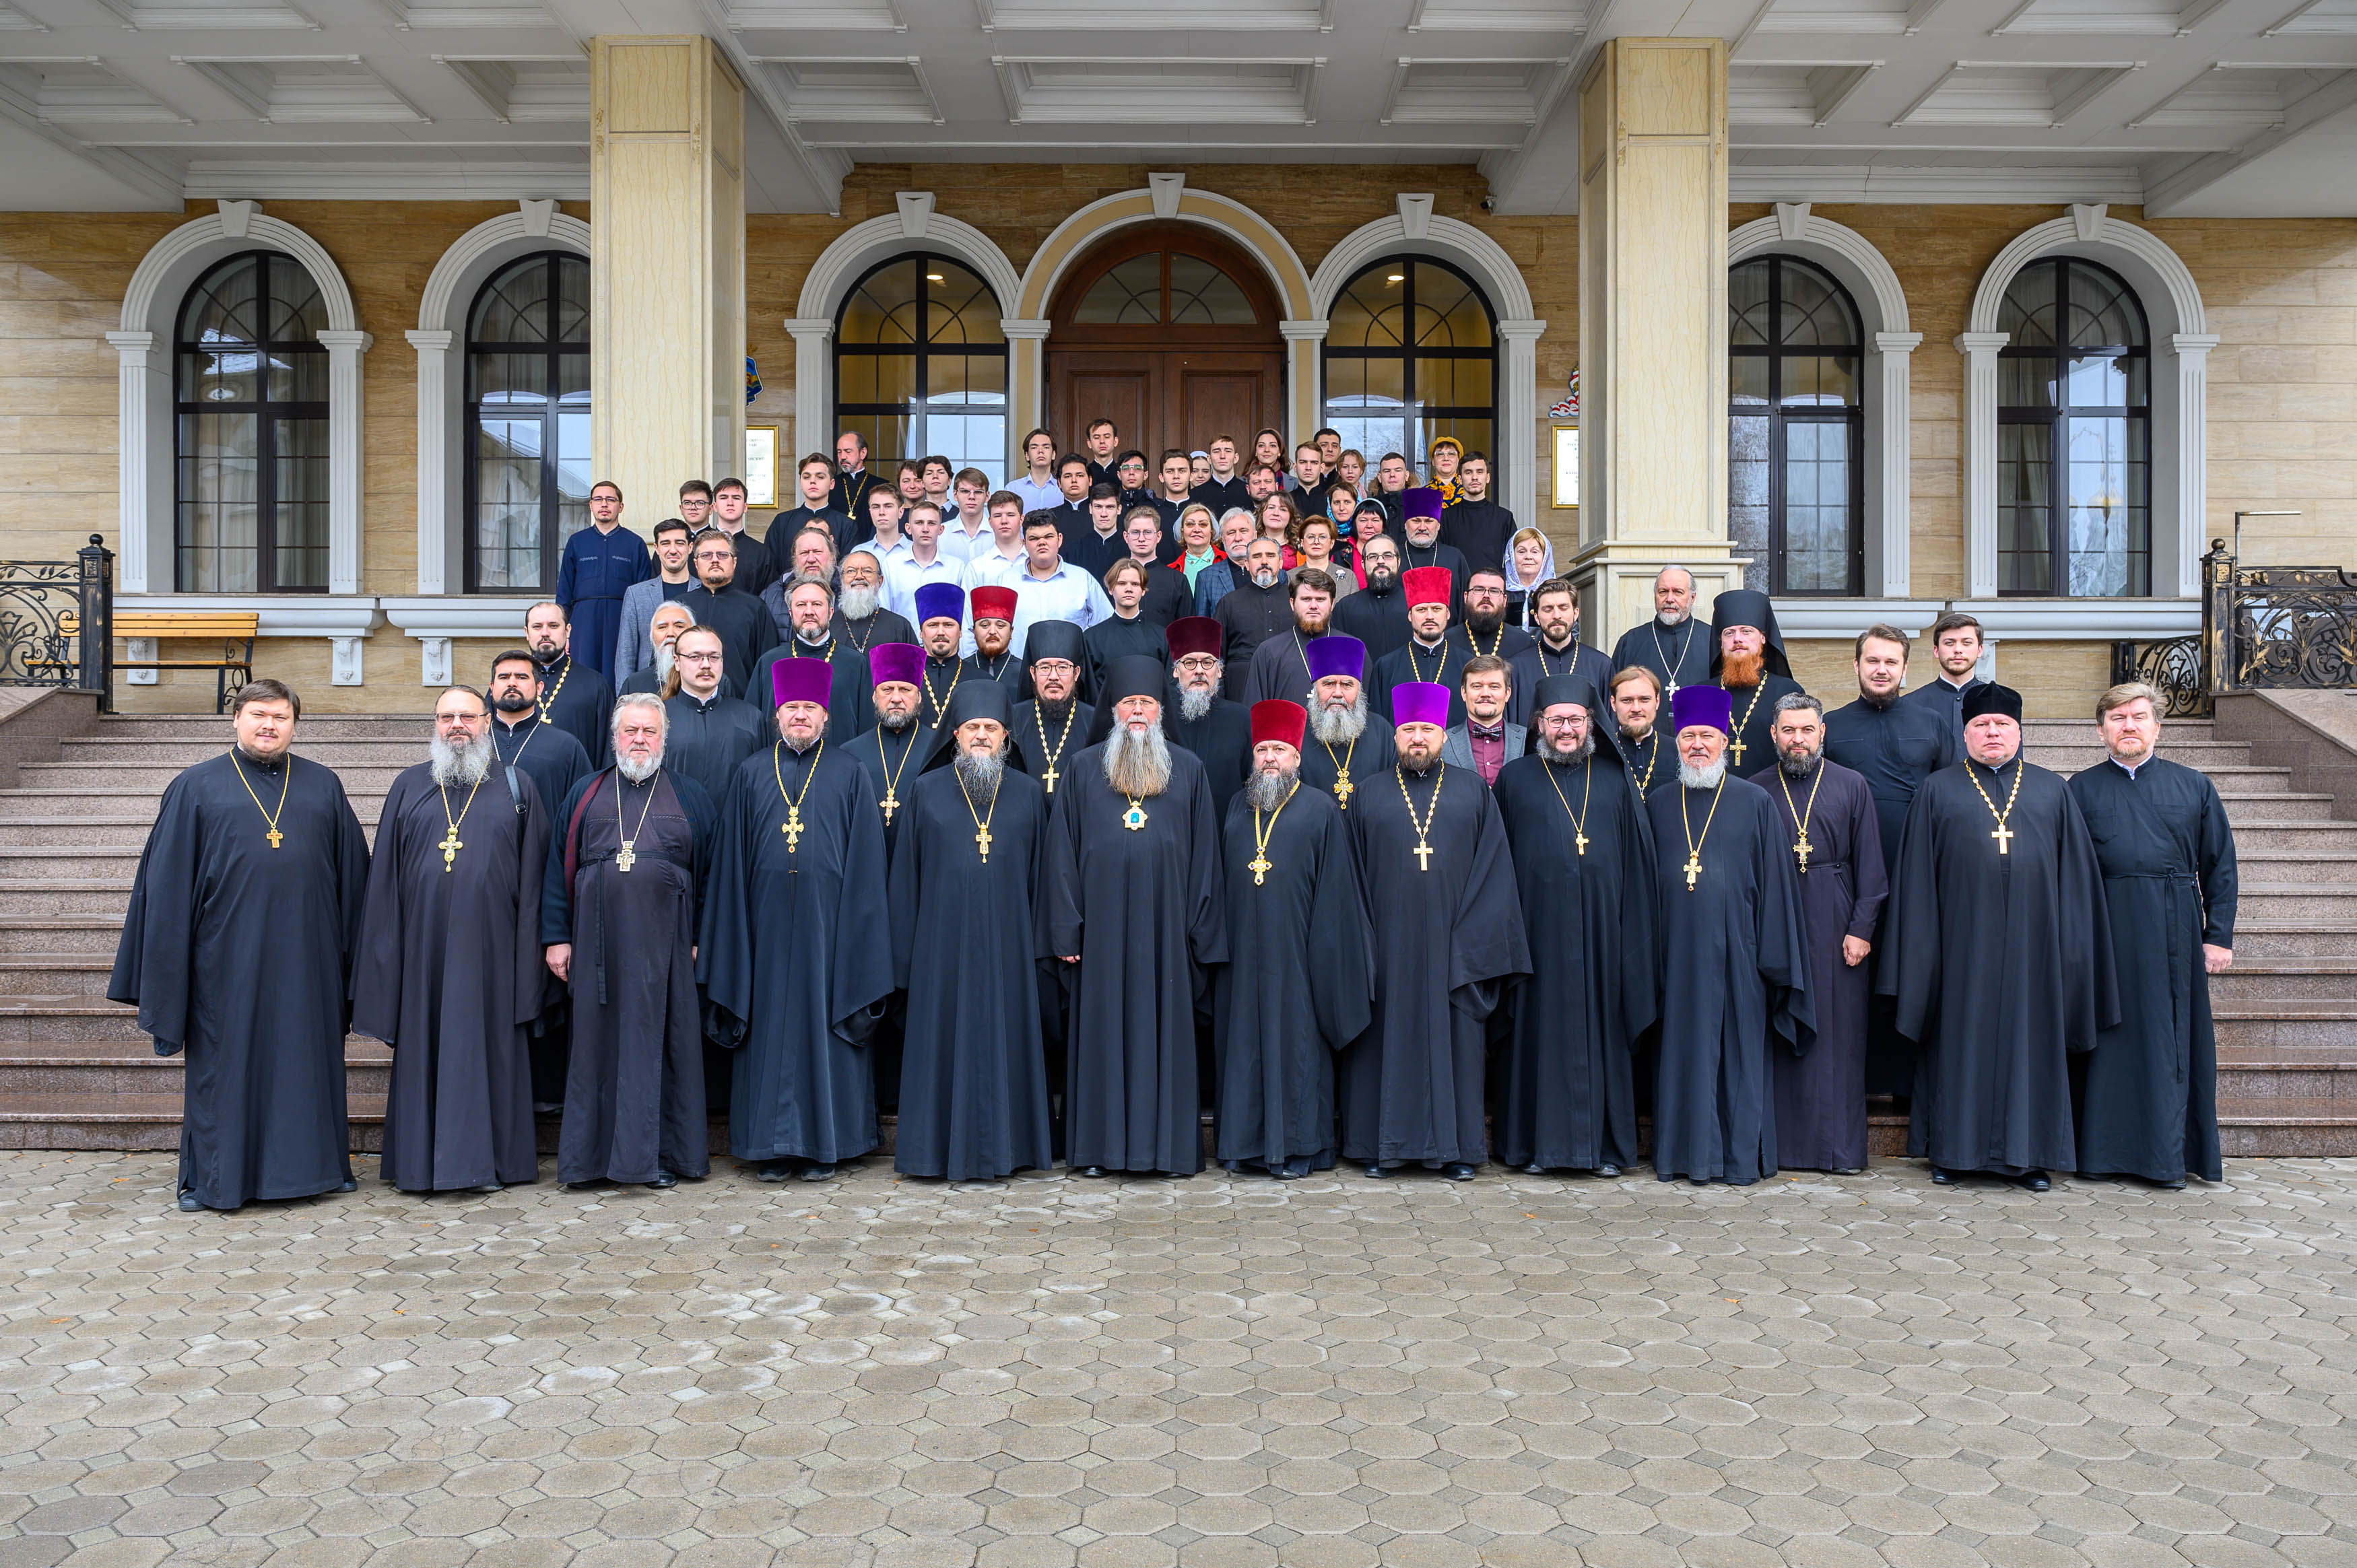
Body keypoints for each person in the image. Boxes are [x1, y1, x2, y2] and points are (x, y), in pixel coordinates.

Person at [110, 680, 370, 1213]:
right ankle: (214, 1178)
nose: (268, 725)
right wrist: (169, 969)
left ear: (295, 724)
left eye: (280, 716)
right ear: (236, 718)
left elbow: (354, 881)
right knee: (225, 1068)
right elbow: (165, 886)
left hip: (310, 958)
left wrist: (355, 961)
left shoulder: (323, 785)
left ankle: (321, 1168)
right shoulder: (196, 786)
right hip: (224, 962)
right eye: (258, 714)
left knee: (308, 1062)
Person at [1879, 683, 2117, 1190]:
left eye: (2002, 725)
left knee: (2031, 1048)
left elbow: (2076, 883)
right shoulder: (1937, 790)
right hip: (1959, 951)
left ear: (2019, 731)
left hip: (2037, 952)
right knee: (1956, 1046)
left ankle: (2030, 1156)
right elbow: (1917, 882)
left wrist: (2074, 954)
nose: (1993, 733)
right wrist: (1922, 957)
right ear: (1964, 733)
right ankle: (1952, 1152)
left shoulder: (2053, 790)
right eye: (1982, 725)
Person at [352, 685, 554, 1195]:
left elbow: (537, 881)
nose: (457, 724)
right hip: (425, 956)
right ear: (435, 724)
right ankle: (420, 1164)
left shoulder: (517, 786)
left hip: (494, 954)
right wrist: (385, 960)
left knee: (490, 1051)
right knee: (426, 1048)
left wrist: (531, 960)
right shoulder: (408, 785)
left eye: (468, 715)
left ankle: (493, 1164)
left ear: (487, 721)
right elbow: (385, 883)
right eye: (447, 716)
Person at [700, 659, 895, 1182]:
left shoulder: (850, 771)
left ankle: (824, 1145)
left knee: (824, 1029)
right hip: (762, 933)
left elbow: (867, 864)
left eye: (810, 708)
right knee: (768, 1032)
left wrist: (860, 931)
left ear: (826, 715)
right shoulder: (750, 772)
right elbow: (730, 864)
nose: (801, 716)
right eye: (792, 708)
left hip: (830, 932)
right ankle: (769, 1146)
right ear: (777, 715)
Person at [1044, 656, 1229, 1179]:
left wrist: (1200, 932)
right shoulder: (1082, 770)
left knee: (1166, 1038)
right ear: (1114, 710)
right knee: (1101, 1036)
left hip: (1167, 936)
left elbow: (1205, 861)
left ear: (1161, 710)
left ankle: (1167, 1152)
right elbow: (1060, 857)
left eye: (1147, 703)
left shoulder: (1188, 770)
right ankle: (1100, 1150)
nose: (1139, 712)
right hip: (1099, 936)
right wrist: (1066, 927)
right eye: (1129, 703)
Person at [1340, 681, 1529, 1180]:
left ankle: (1458, 1152)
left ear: (1443, 735)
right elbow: (1349, 882)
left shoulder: (1473, 793)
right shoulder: (1367, 795)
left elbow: (1495, 876)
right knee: (1384, 1045)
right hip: (1387, 951)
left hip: (1455, 954)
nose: (1417, 738)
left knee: (1456, 1052)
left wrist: (1472, 949)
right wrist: (1364, 949)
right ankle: (1383, 1147)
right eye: (1408, 729)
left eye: (1426, 728)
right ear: (1396, 736)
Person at [540, 694, 719, 1190]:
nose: (639, 740)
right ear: (614, 737)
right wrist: (556, 937)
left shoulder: (690, 795)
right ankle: (589, 1162)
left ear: (665, 738)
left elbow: (711, 876)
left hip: (668, 953)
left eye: (650, 731)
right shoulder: (585, 792)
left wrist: (702, 937)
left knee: (662, 1049)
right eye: (630, 731)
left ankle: (659, 1156)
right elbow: (557, 869)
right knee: (597, 1050)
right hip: (596, 948)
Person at [2068, 681, 2238, 1189]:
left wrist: (2219, 935)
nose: (2128, 726)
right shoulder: (2078, 788)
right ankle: (2098, 1154)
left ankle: (2166, 1158)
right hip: (2105, 930)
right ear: (2101, 731)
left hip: (2175, 932)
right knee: (2107, 1042)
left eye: (2138, 717)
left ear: (2157, 726)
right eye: (2117, 718)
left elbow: (2220, 866)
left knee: (2171, 1044)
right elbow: (2067, 871)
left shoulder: (2194, 786)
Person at [1644, 685, 1815, 1187]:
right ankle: (1683, 1155)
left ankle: (1740, 1159)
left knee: (1739, 1058)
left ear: (1725, 741)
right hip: (1675, 957)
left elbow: (1778, 888)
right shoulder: (1657, 803)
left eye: (1709, 736)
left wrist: (1774, 962)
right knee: (1681, 1056)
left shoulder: (1755, 801)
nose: (1698, 744)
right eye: (1689, 735)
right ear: (1676, 741)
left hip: (1741, 957)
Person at [887, 681, 1055, 1181]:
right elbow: (905, 883)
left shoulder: (1027, 793)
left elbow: (1042, 879)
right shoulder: (925, 791)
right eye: (972, 728)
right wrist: (904, 959)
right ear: (955, 734)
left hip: (1012, 951)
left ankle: (1012, 1149)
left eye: (991, 728)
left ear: (1006, 737)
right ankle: (934, 1152)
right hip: (940, 953)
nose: (981, 736)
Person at [1492, 674, 1659, 1177]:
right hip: (1535, 938)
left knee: (1604, 1032)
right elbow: (1496, 866)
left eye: (1575, 719)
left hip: (1605, 940)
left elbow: (1638, 864)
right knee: (1534, 1037)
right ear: (1539, 723)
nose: (1565, 729)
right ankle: (1535, 1147)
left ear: (1593, 722)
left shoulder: (1614, 778)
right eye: (1555, 719)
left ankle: (1605, 1149)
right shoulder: (1515, 779)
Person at [1211, 700, 1373, 1178]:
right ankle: (1244, 1146)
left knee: (1299, 1051)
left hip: (1302, 963)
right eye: (1262, 748)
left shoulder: (1321, 810)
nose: (1269, 758)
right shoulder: (1236, 808)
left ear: (1298, 756)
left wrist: (1323, 961)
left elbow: (1338, 897)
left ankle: (1300, 1147)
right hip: (1241, 962)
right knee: (1243, 1049)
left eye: (1279, 749)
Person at [1820, 623, 1958, 1102]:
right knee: (1853, 977)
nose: (1881, 669)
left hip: (1915, 873)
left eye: (1891, 662)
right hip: (1845, 877)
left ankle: (1904, 1089)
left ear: (1905, 668)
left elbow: (1954, 795)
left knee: (1907, 977)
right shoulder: (1831, 727)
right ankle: (1853, 1085)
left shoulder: (1933, 724)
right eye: (1872, 660)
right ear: (1856, 665)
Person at [1762, 693, 1888, 1175]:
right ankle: (1782, 1148)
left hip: (1837, 921)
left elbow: (1872, 868)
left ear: (1822, 733)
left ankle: (1837, 1151)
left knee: (1839, 1036)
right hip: (1778, 919)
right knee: (1779, 1029)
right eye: (1788, 730)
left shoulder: (1852, 785)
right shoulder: (1756, 788)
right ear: (1773, 735)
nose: (1798, 740)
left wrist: (1861, 929)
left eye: (1806, 730)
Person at [748, 574, 869, 744]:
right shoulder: (769, 662)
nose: (809, 611)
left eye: (817, 604)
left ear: (831, 612)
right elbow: (753, 726)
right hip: (778, 766)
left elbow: (867, 729)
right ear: (791, 613)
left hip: (841, 766)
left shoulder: (855, 664)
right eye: (801, 605)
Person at [661, 625, 768, 809]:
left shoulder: (750, 719)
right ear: (677, 662)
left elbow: (763, 785)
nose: (706, 665)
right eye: (695, 657)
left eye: (714, 657)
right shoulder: (658, 718)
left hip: (735, 831)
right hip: (674, 831)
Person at [555, 479, 649, 681]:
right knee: (583, 677)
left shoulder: (635, 544)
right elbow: (564, 591)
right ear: (591, 505)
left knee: (620, 676)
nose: (604, 504)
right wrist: (564, 633)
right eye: (598, 499)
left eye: (610, 500)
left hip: (622, 620)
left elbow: (644, 594)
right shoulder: (577, 542)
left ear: (620, 506)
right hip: (584, 621)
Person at [1164, 617, 1253, 825]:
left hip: (1227, 830)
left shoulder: (1242, 718)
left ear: (1219, 670)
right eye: (1189, 663)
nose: (1199, 671)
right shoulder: (1160, 719)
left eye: (1207, 662)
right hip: (1173, 832)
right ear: (1176, 671)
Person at [1709, 588, 1803, 780]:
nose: (1738, 639)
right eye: (1729, 633)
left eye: (1746, 632)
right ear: (1721, 642)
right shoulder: (1704, 692)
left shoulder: (1788, 692)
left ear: (1762, 639)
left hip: (1773, 798)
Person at [488, 648, 593, 820]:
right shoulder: (474, 742)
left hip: (543, 845)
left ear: (539, 687)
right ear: (492, 688)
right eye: (504, 677)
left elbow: (583, 810)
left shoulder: (565, 745)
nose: (512, 683)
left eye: (521, 677)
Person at [1297, 634, 1395, 810]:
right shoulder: (1298, 733)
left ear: (1359, 690)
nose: (1337, 693)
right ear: (1315, 689)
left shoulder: (1383, 733)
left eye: (1347, 685)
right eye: (1328, 684)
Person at [855, 642, 932, 860]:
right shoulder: (851, 754)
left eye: (905, 689)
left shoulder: (939, 750)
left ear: (918, 696)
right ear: (874, 696)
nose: (896, 698)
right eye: (887, 689)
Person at [1506, 576, 1612, 726]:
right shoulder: (1516, 668)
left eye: (1563, 608)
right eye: (1548, 609)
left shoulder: (1601, 666)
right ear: (1536, 617)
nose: (1556, 615)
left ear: (1575, 613)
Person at [681, 531, 780, 688]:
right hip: (684, 707)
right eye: (706, 555)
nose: (714, 560)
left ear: (734, 563)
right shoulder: (680, 607)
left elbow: (769, 669)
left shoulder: (756, 608)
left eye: (722, 555)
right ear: (696, 563)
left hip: (740, 706)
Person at [523, 600, 616, 768]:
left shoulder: (595, 685)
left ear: (567, 631)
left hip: (579, 790)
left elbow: (609, 752)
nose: (545, 633)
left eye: (553, 626)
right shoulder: (509, 685)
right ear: (527, 633)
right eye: (537, 627)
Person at [1370, 567, 1467, 726]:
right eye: (1421, 610)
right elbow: (1378, 726)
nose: (1430, 616)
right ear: (1410, 615)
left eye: (1437, 609)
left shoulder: (1468, 665)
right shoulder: (1386, 667)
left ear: (1448, 614)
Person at [1009, 511, 1115, 654]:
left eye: (1048, 536)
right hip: (1019, 670)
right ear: (1024, 544)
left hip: (1072, 672)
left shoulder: (1082, 579)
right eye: (1034, 538)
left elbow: (1106, 626)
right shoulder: (1007, 581)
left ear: (1060, 539)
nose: (1042, 542)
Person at [1239, 568, 1343, 710]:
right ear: (1292, 603)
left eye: (1320, 599)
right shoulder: (1268, 652)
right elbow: (1254, 711)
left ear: (1332, 604)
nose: (1313, 606)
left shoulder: (1351, 649)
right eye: (1306, 599)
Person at [1014, 620, 1092, 797]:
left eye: (1063, 667)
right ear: (1033, 673)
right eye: (1045, 667)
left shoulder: (1093, 722)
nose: (1053, 676)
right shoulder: (1013, 719)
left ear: (1076, 673)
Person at [1611, 566, 1713, 700]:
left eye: (1678, 592)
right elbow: (1614, 696)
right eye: (1663, 592)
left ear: (1692, 598)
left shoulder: (1712, 639)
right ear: (1655, 596)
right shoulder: (1631, 641)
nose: (1669, 599)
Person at [1212, 536, 1292, 701]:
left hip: (1288, 685)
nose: (1264, 561)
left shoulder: (1296, 600)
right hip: (1241, 691)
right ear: (1247, 564)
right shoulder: (1229, 602)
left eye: (1270, 556)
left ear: (1281, 562)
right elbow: (1217, 656)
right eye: (1257, 556)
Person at [616, 517, 696, 681]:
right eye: (666, 543)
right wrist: (625, 699)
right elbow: (626, 653)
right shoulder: (636, 594)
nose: (673, 550)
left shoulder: (703, 591)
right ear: (657, 549)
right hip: (647, 690)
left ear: (690, 547)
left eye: (680, 543)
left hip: (693, 687)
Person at [1442, 654, 1522, 787]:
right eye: (1477, 686)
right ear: (1464, 693)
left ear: (1507, 693)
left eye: (1494, 687)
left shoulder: (1528, 740)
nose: (1485, 693)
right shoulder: (1442, 742)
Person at [1906, 611, 1989, 741]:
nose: (1958, 650)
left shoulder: (1999, 702)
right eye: (1949, 643)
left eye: (1966, 642)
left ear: (1980, 650)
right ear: (1936, 651)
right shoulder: (1910, 705)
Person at [1086, 559, 1174, 680]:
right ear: (1111, 589)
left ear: (1143, 590)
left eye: (1135, 584)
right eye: (1122, 583)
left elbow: (1169, 684)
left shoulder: (1161, 636)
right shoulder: (1091, 638)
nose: (1129, 589)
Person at [882, 500, 964, 626]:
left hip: (943, 642)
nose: (925, 529)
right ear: (908, 528)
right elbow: (885, 612)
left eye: (931, 523)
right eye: (919, 523)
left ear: (941, 529)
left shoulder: (956, 567)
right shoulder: (891, 565)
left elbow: (962, 614)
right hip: (902, 642)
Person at [1332, 533, 1410, 659]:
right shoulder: (1345, 608)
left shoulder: (1415, 606)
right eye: (1373, 557)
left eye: (1388, 556)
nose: (1380, 561)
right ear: (1363, 564)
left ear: (1399, 562)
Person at [1440, 452, 1514, 580]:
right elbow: (1439, 558)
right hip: (1456, 589)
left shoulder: (1504, 517)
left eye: (1480, 472)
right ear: (1460, 479)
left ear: (1488, 477)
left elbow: (1514, 559)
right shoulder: (1445, 517)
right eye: (1468, 473)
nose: (1474, 477)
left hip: (1492, 589)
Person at [776, 450, 860, 558]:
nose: (812, 481)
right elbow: (772, 568)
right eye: (806, 477)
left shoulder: (846, 525)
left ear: (832, 484)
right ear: (800, 482)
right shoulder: (782, 522)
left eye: (820, 477)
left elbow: (849, 567)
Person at [834, 547, 919, 653]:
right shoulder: (830, 625)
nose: (859, 576)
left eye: (867, 571)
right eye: (851, 571)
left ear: (880, 581)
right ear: (842, 579)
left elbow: (914, 667)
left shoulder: (899, 626)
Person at [1397, 486, 1470, 605]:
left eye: (1429, 521)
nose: (1422, 528)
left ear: (1438, 526)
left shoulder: (1455, 558)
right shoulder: (1393, 557)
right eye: (1416, 521)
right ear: (1405, 525)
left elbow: (1466, 602)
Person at [710, 477, 778, 598]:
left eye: (736, 498)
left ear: (745, 507)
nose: (730, 503)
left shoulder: (762, 553)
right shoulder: (703, 548)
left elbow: (770, 596)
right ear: (715, 506)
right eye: (724, 497)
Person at [617, 600, 698, 698]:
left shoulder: (707, 678)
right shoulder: (634, 684)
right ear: (652, 637)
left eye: (679, 626)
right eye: (662, 627)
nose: (670, 633)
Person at [1451, 568, 1535, 662]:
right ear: (1466, 597)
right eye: (1479, 590)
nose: (1486, 595)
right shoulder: (1448, 641)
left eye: (1494, 591)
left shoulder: (1524, 643)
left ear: (1505, 600)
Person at [1610, 666, 1667, 802]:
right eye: (1627, 700)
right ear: (1613, 703)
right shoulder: (1601, 753)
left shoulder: (1678, 751)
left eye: (1644, 700)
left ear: (1657, 702)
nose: (1636, 708)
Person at [1189, 508, 1257, 617]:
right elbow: (1201, 625)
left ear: (1255, 535)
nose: (1238, 538)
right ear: (1223, 539)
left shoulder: (1272, 572)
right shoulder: (1206, 577)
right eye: (1231, 533)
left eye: (1244, 531)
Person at [961, 584, 1024, 692]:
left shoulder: (1025, 673)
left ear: (1011, 632)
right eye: (985, 625)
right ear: (974, 631)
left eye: (1000, 626)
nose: (992, 632)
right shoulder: (960, 671)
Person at [828, 431, 888, 523]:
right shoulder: (831, 485)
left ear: (863, 453)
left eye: (848, 451)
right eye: (839, 452)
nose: (843, 457)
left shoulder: (881, 485)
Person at [1503, 526, 1556, 627]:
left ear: (1545, 557)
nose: (1528, 557)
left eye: (1535, 552)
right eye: (1522, 552)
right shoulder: (1500, 593)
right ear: (1512, 556)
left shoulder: (1557, 592)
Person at [1192, 433, 1249, 516]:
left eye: (1228, 451)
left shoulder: (1249, 492)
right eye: (1217, 451)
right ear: (1209, 459)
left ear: (1236, 458)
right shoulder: (1194, 496)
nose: (1222, 456)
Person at [1009, 427, 1061, 512]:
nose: (1040, 451)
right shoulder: (1012, 489)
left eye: (1046, 447)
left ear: (1053, 455)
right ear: (1027, 456)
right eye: (1034, 448)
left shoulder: (1062, 490)